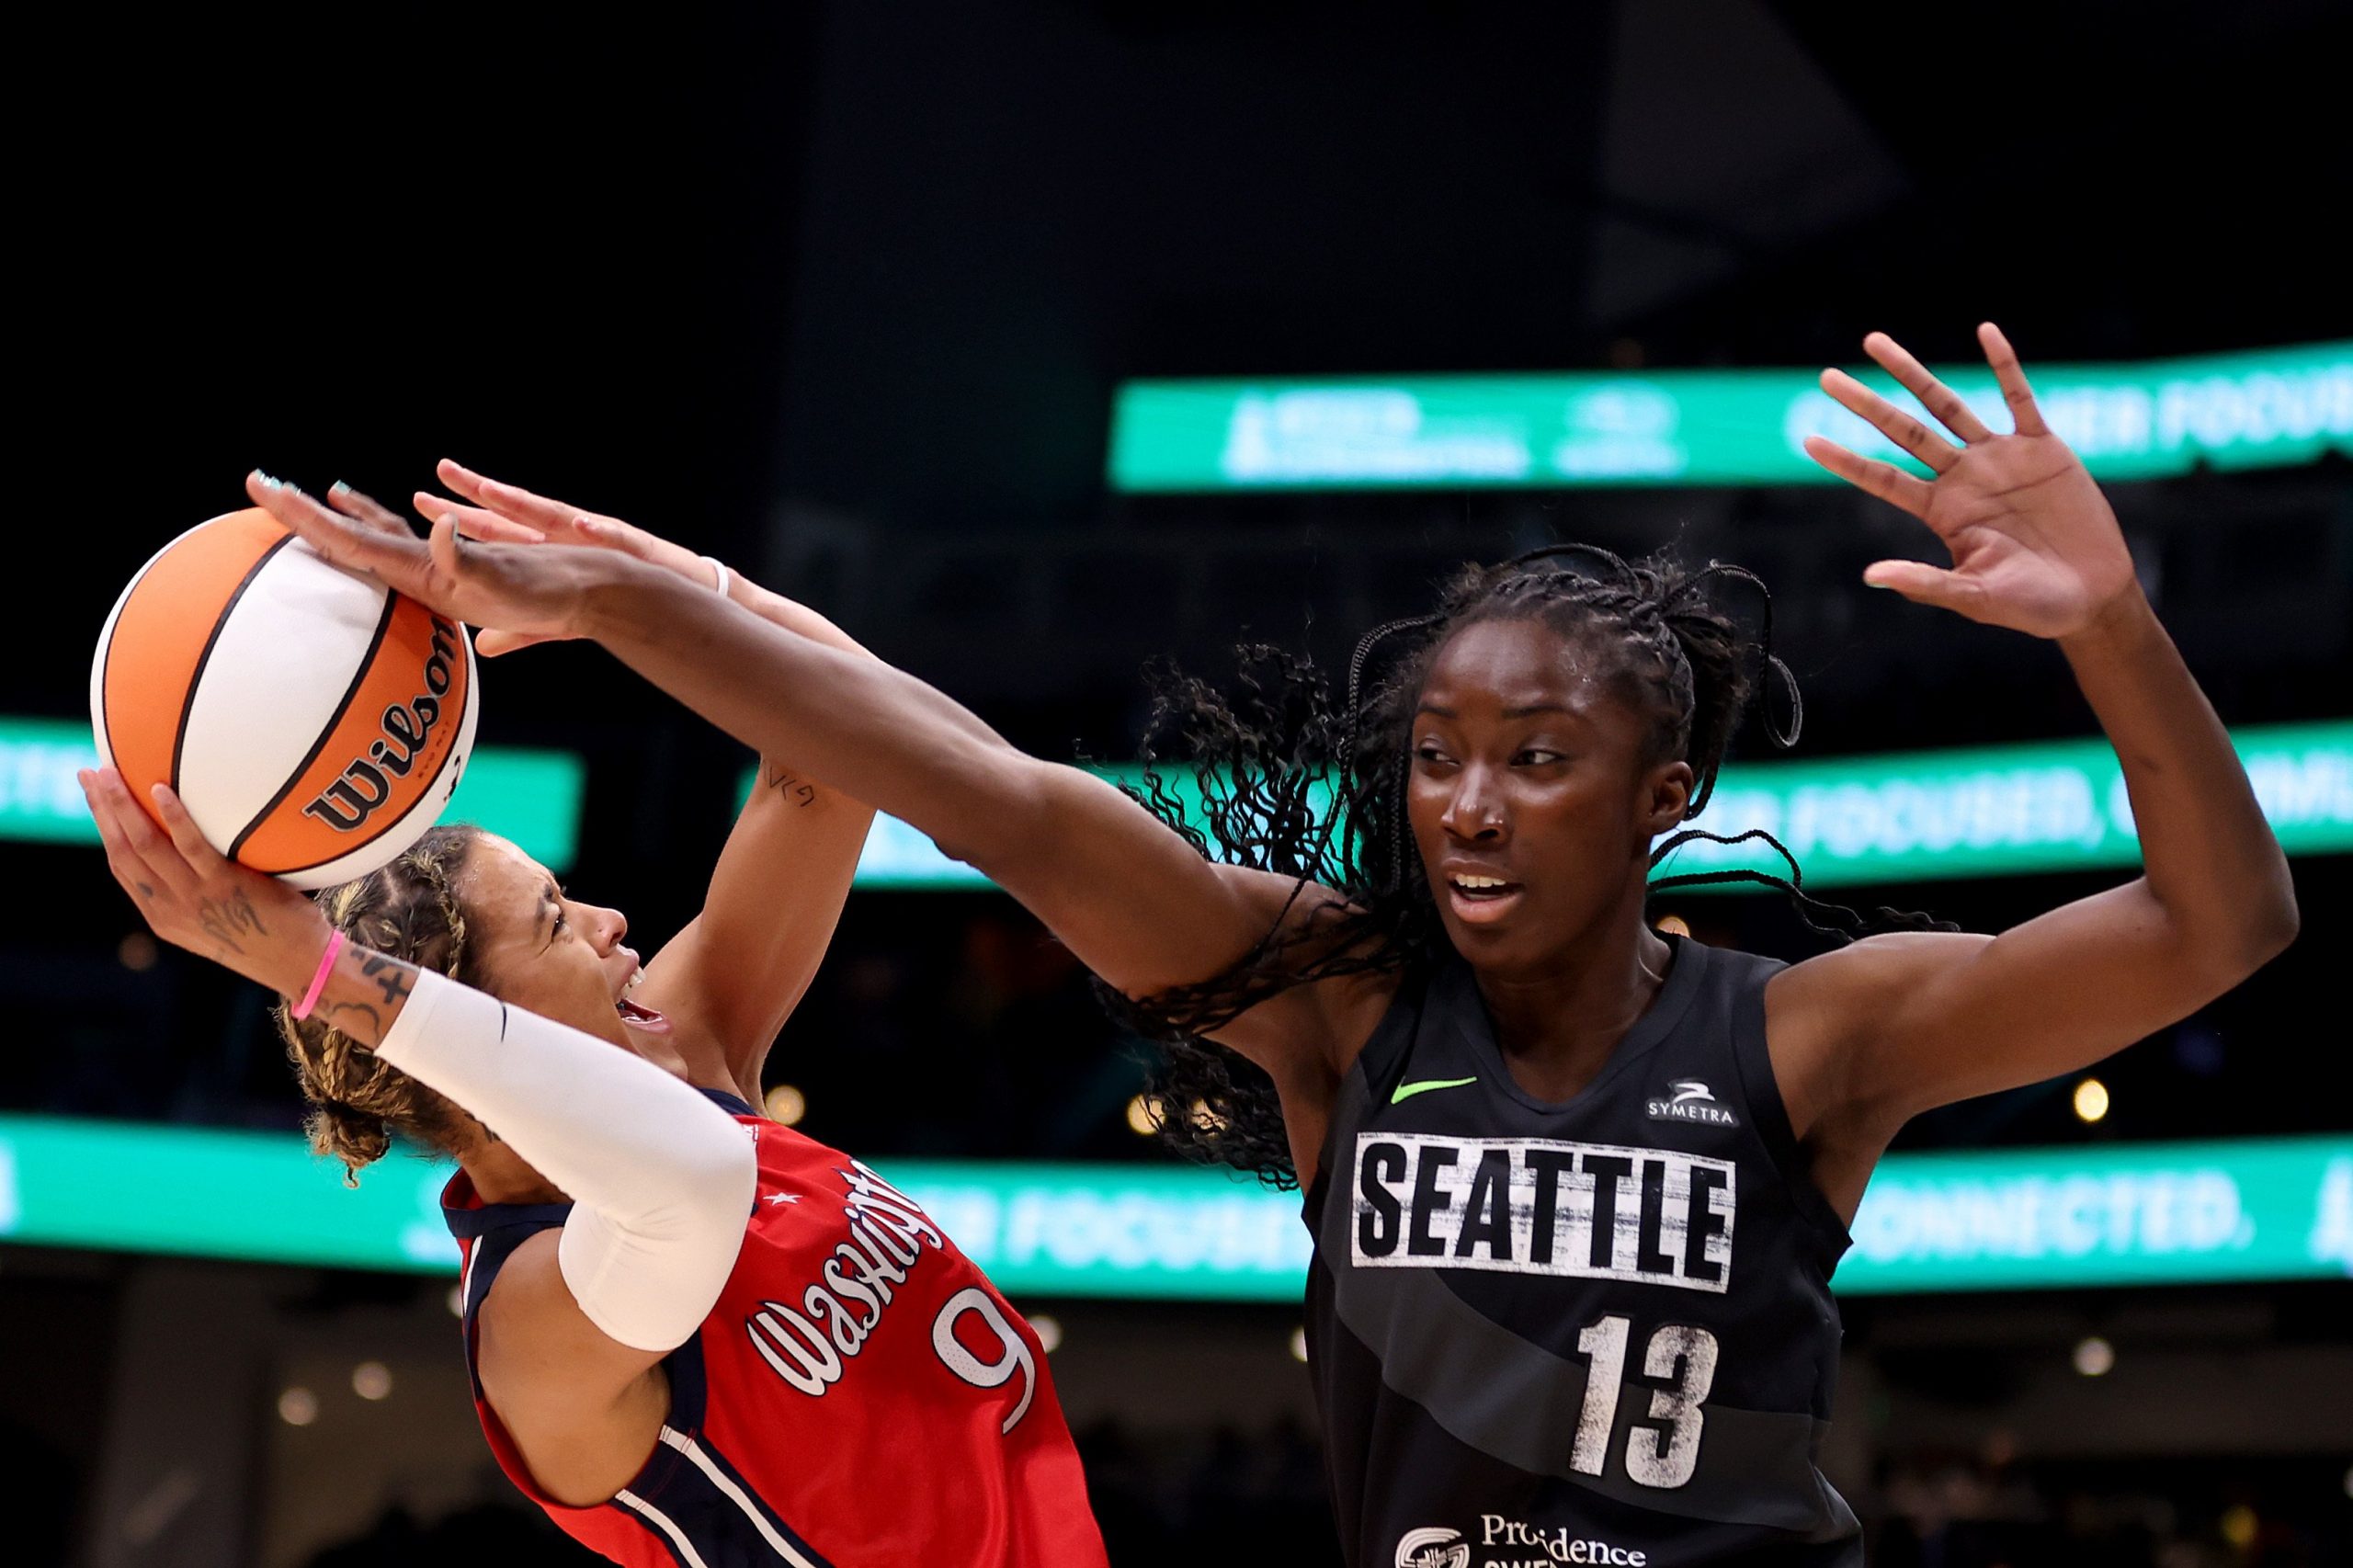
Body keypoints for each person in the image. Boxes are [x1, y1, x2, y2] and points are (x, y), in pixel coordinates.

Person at [258, 326, 2299, 1567]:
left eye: (1537, 757)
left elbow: (2221, 921)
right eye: (1432, 755)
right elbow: (981, 791)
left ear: (1660, 792)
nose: (1469, 804)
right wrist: (644, 599)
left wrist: (2111, 628)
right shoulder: (1336, 1001)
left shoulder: (1808, 1036)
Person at [82, 464, 1109, 1568]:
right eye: (556, 919)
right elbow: (691, 1184)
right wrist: (319, 970)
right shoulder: (529, 1322)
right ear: (474, 1008)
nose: (615, 920)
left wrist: (655, 587)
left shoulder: (682, 1047)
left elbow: (841, 747)